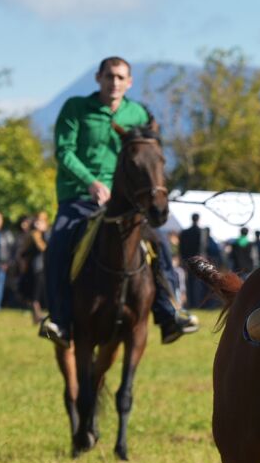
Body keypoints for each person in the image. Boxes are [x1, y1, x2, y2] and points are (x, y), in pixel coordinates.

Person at [39, 56, 197, 346]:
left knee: (159, 242)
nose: (114, 82)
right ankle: (59, 319)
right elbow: (64, 152)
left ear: (129, 82)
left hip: (125, 202)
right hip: (79, 197)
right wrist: (91, 182)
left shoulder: (138, 114)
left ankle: (169, 312)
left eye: (121, 77)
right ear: (98, 77)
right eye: (109, 76)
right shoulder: (76, 108)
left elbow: (149, 156)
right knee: (58, 243)